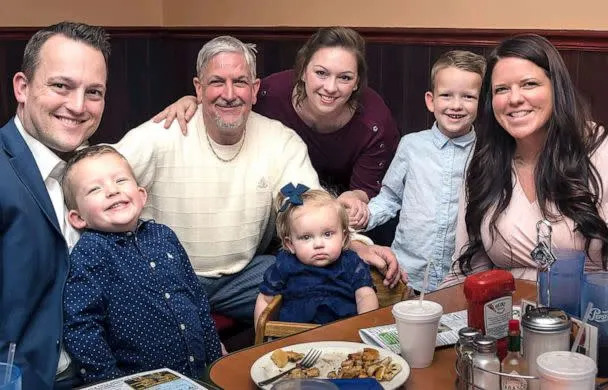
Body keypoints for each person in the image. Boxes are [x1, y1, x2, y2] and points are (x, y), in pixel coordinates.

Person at [114, 35, 400, 323]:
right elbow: (95, 178)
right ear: (198, 89)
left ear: (254, 89)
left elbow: (306, 204)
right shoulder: (161, 134)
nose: (229, 93)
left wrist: (357, 245)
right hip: (167, 275)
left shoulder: (280, 141)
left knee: (324, 285)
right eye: (216, 82)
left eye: (240, 82)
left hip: (244, 276)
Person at [154, 27, 401, 243]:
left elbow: (365, 191)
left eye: (345, 77)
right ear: (302, 71)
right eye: (321, 73)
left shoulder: (375, 123)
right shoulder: (269, 95)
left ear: (358, 82)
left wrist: (353, 200)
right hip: (276, 204)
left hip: (335, 215)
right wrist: (191, 102)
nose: (330, 87)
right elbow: (228, 102)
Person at [441, 34, 608, 287]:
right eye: (501, 89)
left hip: (591, 315)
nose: (514, 98)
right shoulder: (484, 160)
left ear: (556, 88)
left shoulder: (597, 148)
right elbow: (467, 269)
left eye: (529, 84)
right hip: (506, 316)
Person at [0, 22, 110, 390]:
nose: (78, 106)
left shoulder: (98, 170)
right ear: (22, 87)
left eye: (93, 92)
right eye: (61, 86)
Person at [61, 145, 222, 383]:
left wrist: (215, 359)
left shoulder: (164, 236)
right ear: (78, 218)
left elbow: (196, 300)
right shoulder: (90, 252)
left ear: (141, 194)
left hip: (198, 374)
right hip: (140, 381)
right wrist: (110, 383)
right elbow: (83, 327)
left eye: (120, 180)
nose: (112, 191)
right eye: (95, 189)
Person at [361, 51, 486, 292]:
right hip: (407, 275)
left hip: (463, 277)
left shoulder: (487, 153)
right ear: (431, 100)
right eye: (446, 95)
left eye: (468, 96)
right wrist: (362, 217)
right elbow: (389, 198)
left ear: (481, 102)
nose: (456, 105)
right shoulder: (411, 145)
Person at [254, 184, 379, 327]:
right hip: (293, 337)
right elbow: (265, 299)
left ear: (344, 237)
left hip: (342, 334)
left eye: (327, 234)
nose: (318, 244)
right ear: (290, 244)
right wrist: (262, 336)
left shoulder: (351, 263)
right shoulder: (285, 264)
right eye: (306, 237)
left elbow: (365, 295)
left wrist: (364, 326)